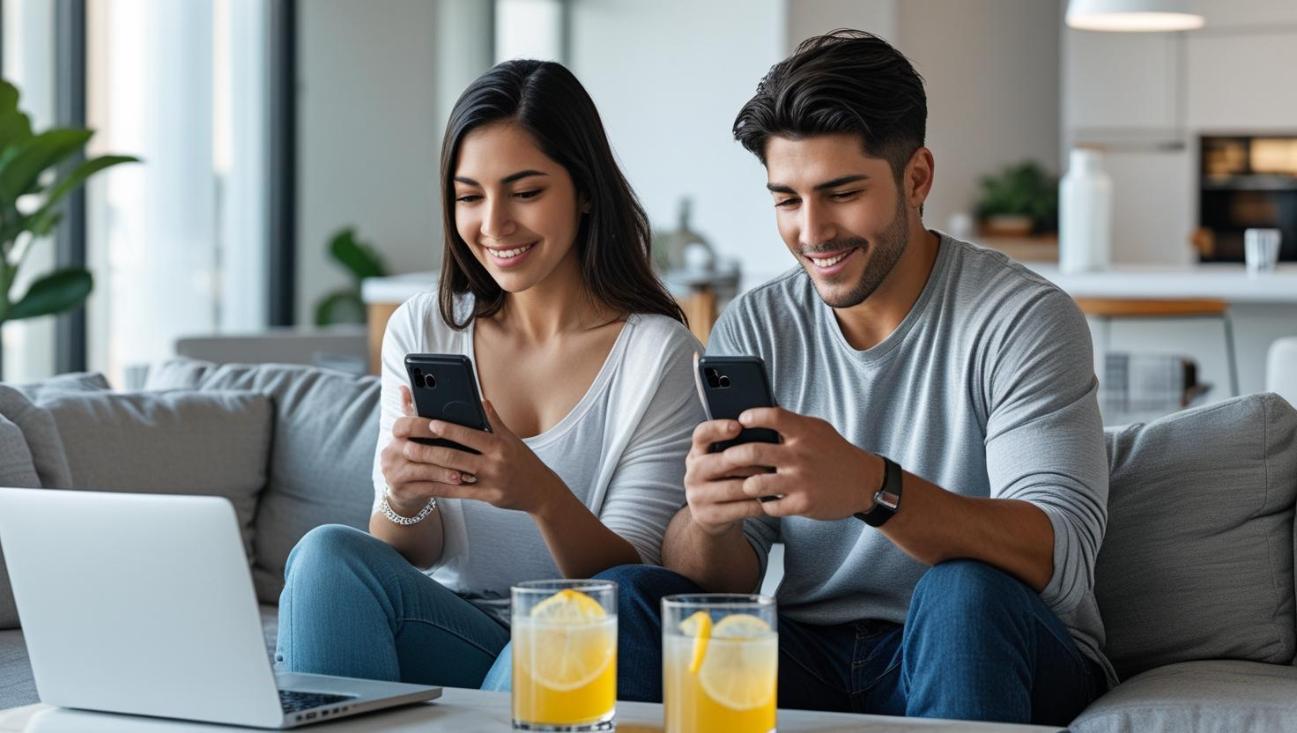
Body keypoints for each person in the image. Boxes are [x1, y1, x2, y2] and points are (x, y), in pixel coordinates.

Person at [602, 30, 1113, 725]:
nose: (812, 231)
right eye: (786, 199)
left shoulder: (1022, 318)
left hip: (994, 640)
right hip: (810, 651)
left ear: (917, 177)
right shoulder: (756, 325)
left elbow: (1054, 553)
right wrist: (707, 518)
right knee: (627, 595)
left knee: (960, 592)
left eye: (839, 193)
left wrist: (873, 487)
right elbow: (724, 578)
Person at [274, 59, 705, 690]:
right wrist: (404, 496)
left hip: (580, 636)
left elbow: (630, 587)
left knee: (580, 612)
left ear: (584, 191)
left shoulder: (657, 356)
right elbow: (407, 554)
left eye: (526, 192)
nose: (494, 225)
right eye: (470, 196)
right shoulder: (425, 326)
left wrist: (541, 495)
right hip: (455, 631)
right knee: (326, 555)